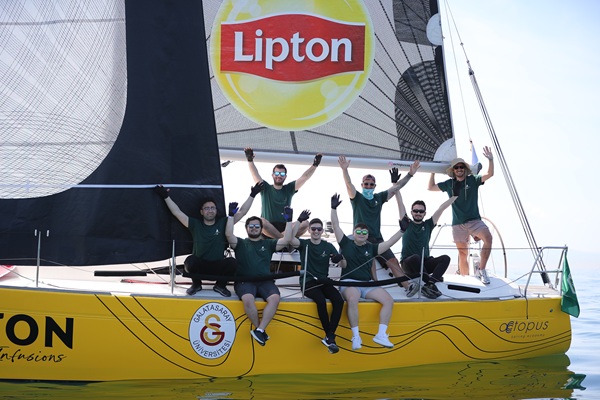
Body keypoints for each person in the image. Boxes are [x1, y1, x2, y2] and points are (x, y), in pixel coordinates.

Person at [155, 182, 263, 296]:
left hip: (218, 266)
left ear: (216, 210)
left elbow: (242, 212)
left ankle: (220, 286)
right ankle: (196, 285)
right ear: (201, 212)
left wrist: (253, 194)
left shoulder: (224, 223)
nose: (210, 210)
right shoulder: (195, 224)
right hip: (200, 265)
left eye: (212, 208)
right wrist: (165, 196)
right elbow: (177, 212)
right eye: (207, 208)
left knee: (233, 262)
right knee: (190, 261)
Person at [330, 193, 408, 351]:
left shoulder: (371, 248)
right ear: (354, 233)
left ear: (367, 235)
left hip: (367, 284)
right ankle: (356, 336)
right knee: (353, 299)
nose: (361, 234)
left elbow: (389, 243)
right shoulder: (346, 243)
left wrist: (402, 231)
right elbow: (336, 226)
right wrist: (333, 209)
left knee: (388, 300)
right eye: (358, 232)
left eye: (364, 233)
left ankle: (381, 335)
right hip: (349, 283)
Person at [225, 208, 308, 346]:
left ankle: (259, 330)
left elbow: (287, 239)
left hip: (265, 281)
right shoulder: (240, 243)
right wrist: (230, 216)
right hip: (245, 281)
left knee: (275, 298)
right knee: (248, 299)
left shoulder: (268, 244)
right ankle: (260, 330)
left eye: (257, 226)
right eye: (251, 226)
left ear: (261, 229)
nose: (254, 228)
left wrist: (289, 221)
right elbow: (228, 234)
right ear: (246, 228)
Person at [338, 155, 418, 295]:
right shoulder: (357, 198)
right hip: (362, 238)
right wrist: (345, 170)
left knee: (393, 261)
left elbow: (396, 187)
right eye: (366, 184)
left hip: (377, 239)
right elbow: (349, 185)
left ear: (375, 186)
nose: (368, 186)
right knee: (370, 264)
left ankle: (408, 286)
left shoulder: (379, 198)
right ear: (362, 185)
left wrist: (410, 174)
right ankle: (374, 287)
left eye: (371, 184)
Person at [427, 146, 494, 284]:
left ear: (465, 169)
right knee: (463, 254)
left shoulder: (473, 180)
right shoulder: (449, 184)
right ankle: (465, 280)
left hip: (474, 221)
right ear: (453, 170)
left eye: (461, 167)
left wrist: (490, 160)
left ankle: (482, 270)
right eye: (456, 167)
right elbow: (431, 187)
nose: (459, 169)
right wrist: (432, 171)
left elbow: (490, 174)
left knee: (488, 238)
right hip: (457, 223)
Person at [394, 174, 457, 299]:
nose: (418, 213)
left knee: (445, 258)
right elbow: (400, 203)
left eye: (421, 211)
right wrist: (395, 184)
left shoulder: (428, 224)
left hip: (424, 263)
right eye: (415, 211)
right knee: (416, 258)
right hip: (408, 263)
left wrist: (455, 196)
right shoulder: (406, 223)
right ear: (412, 212)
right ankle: (431, 280)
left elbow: (441, 208)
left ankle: (429, 283)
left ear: (424, 213)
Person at [289, 217, 346, 354]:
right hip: (308, 281)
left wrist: (340, 258)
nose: (316, 231)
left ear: (322, 231)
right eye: (313, 229)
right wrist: (299, 221)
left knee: (339, 301)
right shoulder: (304, 244)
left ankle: (329, 336)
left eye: (319, 229)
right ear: (309, 230)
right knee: (320, 300)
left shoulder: (328, 246)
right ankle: (330, 336)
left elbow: (344, 265)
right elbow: (290, 239)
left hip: (324, 281)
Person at [244, 147, 322, 238]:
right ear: (273, 175)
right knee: (261, 221)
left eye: (282, 174)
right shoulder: (266, 188)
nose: (279, 176)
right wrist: (250, 160)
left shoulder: (289, 189)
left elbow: (304, 177)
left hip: (285, 228)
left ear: (285, 177)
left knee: (305, 223)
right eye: (277, 173)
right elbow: (255, 175)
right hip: (268, 228)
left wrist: (315, 165)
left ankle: (281, 238)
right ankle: (283, 240)